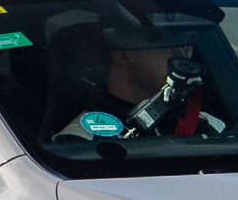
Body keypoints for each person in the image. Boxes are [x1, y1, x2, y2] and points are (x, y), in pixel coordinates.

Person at [56, 8, 227, 139]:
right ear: (122, 54)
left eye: (185, 47)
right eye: (165, 43)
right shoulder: (81, 142)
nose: (181, 57)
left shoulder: (210, 126)